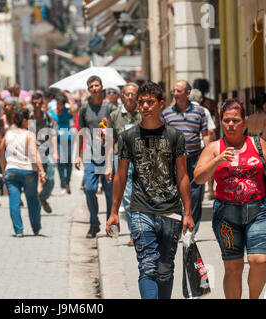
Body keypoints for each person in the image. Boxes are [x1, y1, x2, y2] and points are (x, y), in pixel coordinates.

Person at [106, 81, 195, 299]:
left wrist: (188, 212)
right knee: (147, 265)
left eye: (150, 102)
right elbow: (120, 175)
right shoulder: (129, 137)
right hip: (140, 210)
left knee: (165, 270)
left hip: (171, 211)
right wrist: (114, 212)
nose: (145, 106)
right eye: (141, 102)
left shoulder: (175, 136)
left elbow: (183, 176)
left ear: (161, 104)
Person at [194, 98, 266, 299]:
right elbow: (199, 177)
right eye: (226, 120)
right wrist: (217, 160)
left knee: (259, 260)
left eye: (235, 120)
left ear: (244, 121)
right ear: (221, 122)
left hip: (258, 211)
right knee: (233, 267)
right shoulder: (215, 148)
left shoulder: (258, 144)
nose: (231, 125)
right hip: (226, 215)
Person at [162, 80, 209, 234]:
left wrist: (208, 156)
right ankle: (178, 225)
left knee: (195, 194)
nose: (175, 94)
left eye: (178, 91)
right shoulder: (166, 113)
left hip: (195, 157)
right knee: (175, 192)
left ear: (188, 93)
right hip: (174, 160)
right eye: (174, 91)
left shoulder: (199, 111)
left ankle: (191, 230)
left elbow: (206, 134)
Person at [75, 75, 117, 238]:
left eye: (96, 85)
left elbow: (118, 131)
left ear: (101, 87)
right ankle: (94, 223)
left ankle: (110, 225)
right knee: (89, 189)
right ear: (88, 89)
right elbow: (80, 132)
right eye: (91, 86)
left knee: (109, 193)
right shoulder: (85, 109)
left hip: (109, 156)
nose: (94, 88)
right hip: (91, 156)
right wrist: (77, 155)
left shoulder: (111, 108)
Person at [0, 109, 46, 237]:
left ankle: (19, 230)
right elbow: (33, 153)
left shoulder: (8, 134)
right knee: (32, 200)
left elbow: (0, 151)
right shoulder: (29, 134)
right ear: (24, 120)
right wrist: (41, 170)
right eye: (29, 119)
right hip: (28, 171)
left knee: (14, 201)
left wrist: (4, 169)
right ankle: (36, 227)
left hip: (11, 171)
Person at [104, 83, 141, 246]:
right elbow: (110, 142)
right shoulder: (114, 116)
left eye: (134, 94)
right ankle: (135, 233)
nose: (131, 97)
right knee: (126, 197)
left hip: (141, 159)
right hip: (121, 160)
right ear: (122, 96)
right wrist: (108, 165)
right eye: (128, 94)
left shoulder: (143, 114)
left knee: (142, 194)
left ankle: (145, 229)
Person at [31, 92, 58, 213]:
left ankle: (41, 199)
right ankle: (37, 202)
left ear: (43, 103)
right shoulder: (28, 117)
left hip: (46, 152)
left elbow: (53, 135)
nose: (37, 105)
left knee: (50, 180)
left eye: (39, 103)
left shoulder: (48, 118)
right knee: (35, 180)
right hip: (31, 154)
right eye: (35, 103)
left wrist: (56, 152)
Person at [189, 88, 217, 199]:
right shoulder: (203, 110)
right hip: (200, 147)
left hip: (186, 149)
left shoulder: (183, 110)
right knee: (207, 169)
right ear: (200, 99)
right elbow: (210, 131)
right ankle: (210, 189)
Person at [48, 93, 76, 195]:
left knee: (68, 162)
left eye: (62, 104)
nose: (60, 106)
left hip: (67, 139)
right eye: (58, 103)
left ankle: (67, 182)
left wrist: (68, 96)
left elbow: (74, 110)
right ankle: (63, 185)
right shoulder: (51, 113)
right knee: (60, 162)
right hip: (57, 140)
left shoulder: (67, 112)